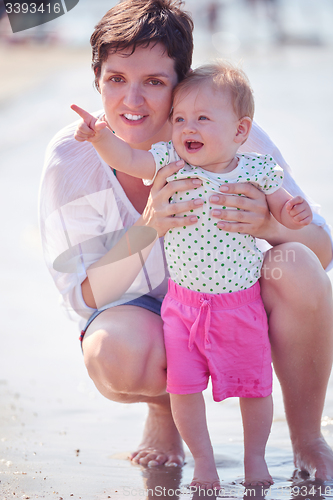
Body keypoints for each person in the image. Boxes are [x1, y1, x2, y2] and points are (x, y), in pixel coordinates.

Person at [39, 0, 333, 482]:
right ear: (96, 80)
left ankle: (307, 439)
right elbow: (86, 295)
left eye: (154, 82)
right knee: (114, 352)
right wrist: (149, 226)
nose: (132, 100)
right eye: (116, 79)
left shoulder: (232, 136)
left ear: (181, 81)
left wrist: (268, 225)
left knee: (296, 264)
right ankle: (163, 413)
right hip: (152, 316)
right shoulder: (73, 157)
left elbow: (321, 249)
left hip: (236, 299)